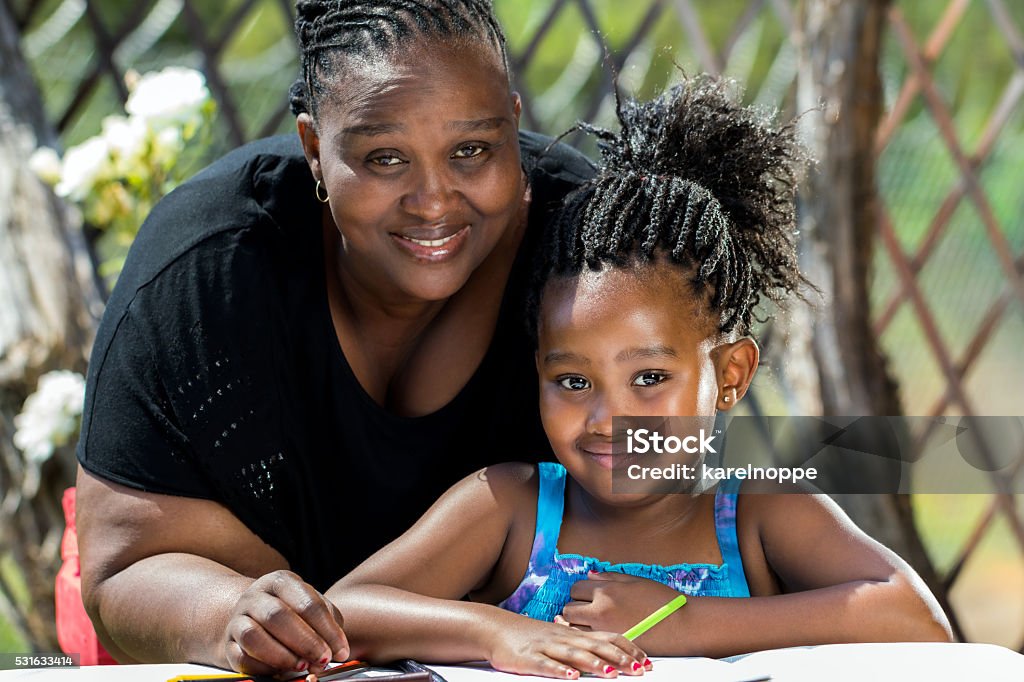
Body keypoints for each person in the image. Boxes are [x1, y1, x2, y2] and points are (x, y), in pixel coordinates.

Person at [324, 75, 955, 680]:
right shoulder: (511, 508)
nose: (607, 419)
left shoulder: (758, 511)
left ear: (729, 374)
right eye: (572, 381)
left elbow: (915, 617)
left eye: (649, 376)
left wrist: (683, 622)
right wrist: (494, 631)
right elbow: (347, 609)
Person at [73, 1, 596, 676]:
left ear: (515, 125)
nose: (434, 200)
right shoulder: (207, 273)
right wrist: (232, 611)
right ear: (315, 148)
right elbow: (123, 566)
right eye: (384, 159)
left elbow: (671, 497)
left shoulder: (592, 258)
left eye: (473, 150)